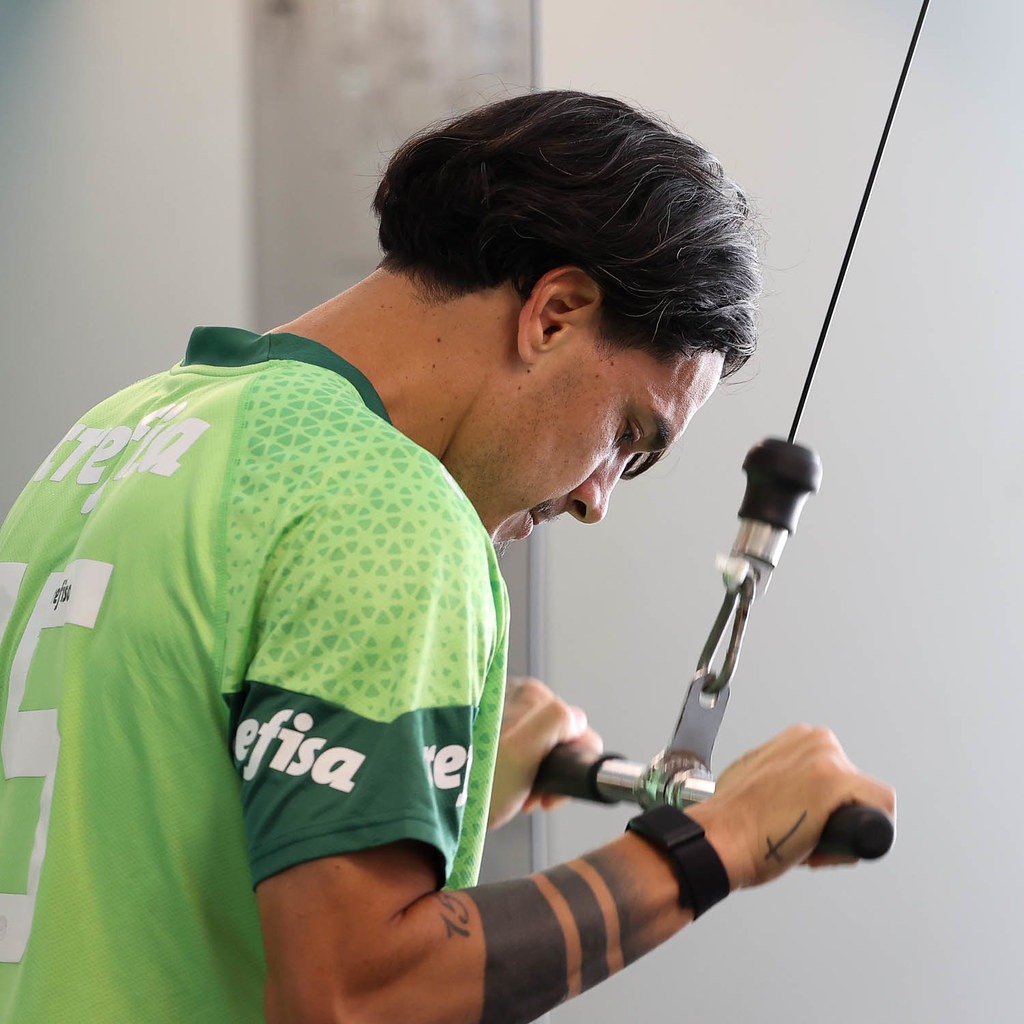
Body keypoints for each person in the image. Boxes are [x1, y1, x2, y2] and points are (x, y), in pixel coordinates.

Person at [0, 90, 894, 1023]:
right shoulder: (384, 506)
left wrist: (424, 796)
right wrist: (716, 842)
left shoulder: (126, 431)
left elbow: (135, 806)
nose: (597, 499)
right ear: (555, 313)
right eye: (630, 435)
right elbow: (354, 993)